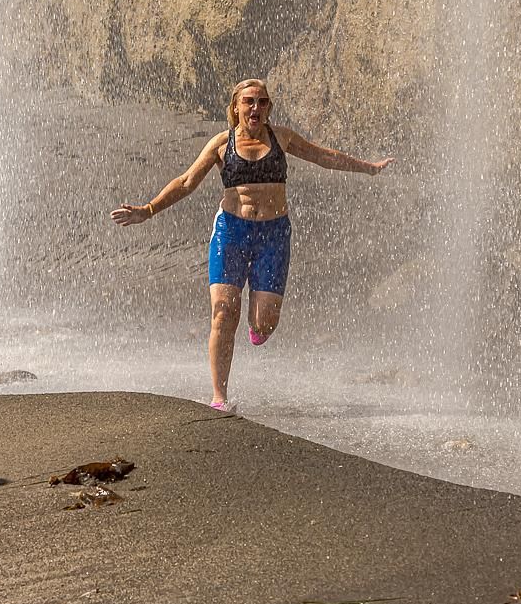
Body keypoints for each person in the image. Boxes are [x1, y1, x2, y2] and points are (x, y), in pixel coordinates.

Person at [111, 78, 394, 413]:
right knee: (223, 312)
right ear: (236, 107)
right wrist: (148, 209)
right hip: (231, 233)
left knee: (264, 323)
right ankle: (219, 397)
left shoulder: (282, 137)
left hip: (273, 236)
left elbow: (322, 156)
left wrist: (369, 168)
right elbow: (187, 181)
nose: (255, 108)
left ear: (269, 108)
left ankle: (256, 325)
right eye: (248, 102)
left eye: (261, 102)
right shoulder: (221, 144)